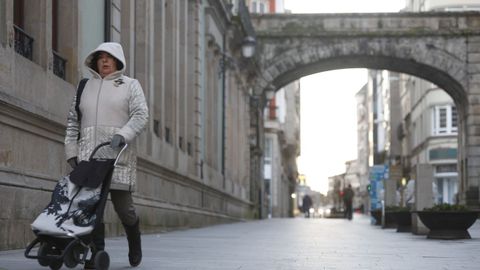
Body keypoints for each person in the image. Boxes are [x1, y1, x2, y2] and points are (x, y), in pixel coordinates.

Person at [65, 42, 149, 269]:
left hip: (117, 157)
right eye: (100, 57)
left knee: (125, 209)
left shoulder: (130, 85)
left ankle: (135, 243)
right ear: (95, 61)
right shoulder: (84, 86)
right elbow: (73, 121)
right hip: (88, 159)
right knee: (92, 209)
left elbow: (141, 115)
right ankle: (97, 252)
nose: (104, 61)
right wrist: (71, 151)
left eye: (109, 57)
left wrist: (124, 134)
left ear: (117, 61)